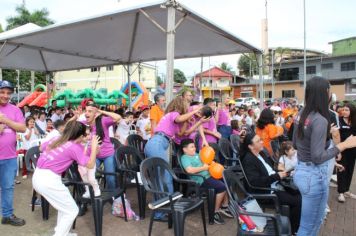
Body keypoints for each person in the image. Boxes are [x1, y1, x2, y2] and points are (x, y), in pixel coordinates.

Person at [292, 76, 356, 236]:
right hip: (313, 176)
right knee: (309, 227)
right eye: (330, 90)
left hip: (301, 171)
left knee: (309, 224)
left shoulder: (301, 114)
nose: (331, 94)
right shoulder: (320, 119)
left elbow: (295, 143)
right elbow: (317, 157)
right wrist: (344, 145)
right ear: (324, 93)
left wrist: (321, 135)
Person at [32, 121, 100, 236]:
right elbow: (90, 165)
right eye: (86, 134)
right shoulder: (74, 147)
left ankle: (62, 232)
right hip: (49, 180)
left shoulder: (58, 138)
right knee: (72, 210)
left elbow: (40, 148)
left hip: (39, 176)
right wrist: (94, 149)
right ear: (80, 136)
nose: (88, 136)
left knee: (64, 207)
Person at [144, 96, 206, 220]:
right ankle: (167, 210)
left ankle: (162, 211)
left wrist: (192, 122)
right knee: (166, 178)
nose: (187, 107)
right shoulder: (173, 114)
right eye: (186, 104)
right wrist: (193, 112)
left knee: (160, 179)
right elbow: (179, 118)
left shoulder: (173, 119)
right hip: (157, 143)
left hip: (157, 144)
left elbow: (182, 133)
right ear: (180, 105)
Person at [241, 132, 301, 234]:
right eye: (258, 141)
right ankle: (292, 230)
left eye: (260, 139)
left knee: (299, 194)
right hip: (267, 192)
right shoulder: (248, 160)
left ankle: (291, 225)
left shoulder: (261, 154)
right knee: (298, 201)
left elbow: (270, 170)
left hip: (275, 185)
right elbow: (255, 182)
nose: (261, 142)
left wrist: (281, 173)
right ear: (250, 146)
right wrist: (278, 176)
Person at [180, 139, 232, 225]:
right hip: (201, 179)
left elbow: (206, 161)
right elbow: (189, 170)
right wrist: (203, 168)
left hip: (210, 175)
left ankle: (225, 205)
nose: (194, 148)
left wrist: (211, 163)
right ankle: (215, 212)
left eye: (194, 146)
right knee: (222, 187)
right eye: (192, 147)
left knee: (227, 180)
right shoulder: (185, 157)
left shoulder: (197, 154)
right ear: (185, 149)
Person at [0, 80, 26, 226]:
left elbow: (22, 128)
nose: (5, 95)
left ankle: (7, 215)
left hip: (9, 157)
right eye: (2, 92)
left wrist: (5, 121)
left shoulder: (15, 110)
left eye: (8, 93)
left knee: (8, 187)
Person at [84, 101, 121, 190]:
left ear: (95, 113)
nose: (86, 113)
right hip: (94, 155)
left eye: (90, 111)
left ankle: (114, 198)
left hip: (108, 155)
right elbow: (67, 127)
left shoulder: (103, 120)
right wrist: (75, 117)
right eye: (86, 111)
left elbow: (118, 117)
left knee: (110, 178)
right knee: (88, 175)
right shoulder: (85, 123)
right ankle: (93, 196)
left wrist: (101, 111)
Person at [337, 103, 356, 202]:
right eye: (343, 109)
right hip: (342, 151)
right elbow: (336, 136)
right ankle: (340, 192)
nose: (344, 111)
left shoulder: (354, 121)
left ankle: (347, 190)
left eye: (347, 110)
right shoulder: (338, 121)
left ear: (351, 111)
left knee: (350, 170)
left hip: (352, 151)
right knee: (342, 170)